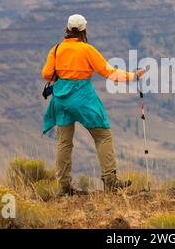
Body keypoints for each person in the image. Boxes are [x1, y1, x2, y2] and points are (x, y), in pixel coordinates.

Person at [41, 14, 143, 195]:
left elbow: (47, 75)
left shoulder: (56, 50)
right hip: (84, 100)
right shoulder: (87, 50)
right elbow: (108, 73)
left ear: (67, 29)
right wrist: (133, 76)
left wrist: (65, 73)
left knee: (64, 142)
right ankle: (110, 181)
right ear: (83, 30)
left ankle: (64, 186)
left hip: (61, 100)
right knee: (103, 136)